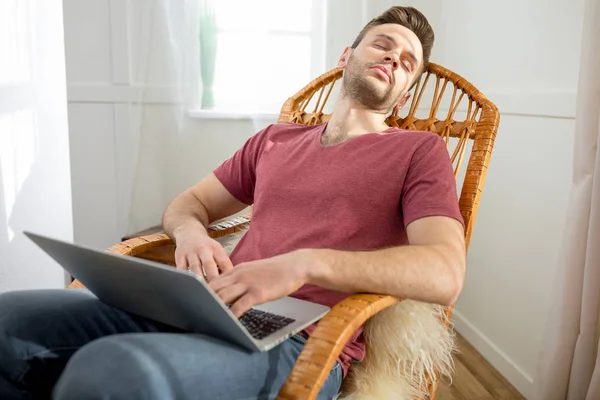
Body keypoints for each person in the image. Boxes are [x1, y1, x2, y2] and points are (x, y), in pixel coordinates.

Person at [0, 6, 466, 400]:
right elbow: (191, 202)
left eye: (408, 62)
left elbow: (444, 271)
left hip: (302, 340)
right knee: (9, 319)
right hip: (209, 306)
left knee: (116, 368)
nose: (394, 58)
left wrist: (302, 265)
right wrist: (190, 233)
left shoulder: (418, 151)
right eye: (383, 44)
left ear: (406, 90)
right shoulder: (275, 140)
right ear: (346, 56)